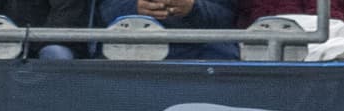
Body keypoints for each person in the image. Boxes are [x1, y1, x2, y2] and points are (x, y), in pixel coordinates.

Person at [95, 0, 238, 61]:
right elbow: (103, 11)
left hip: (200, 49)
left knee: (226, 59)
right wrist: (134, 7)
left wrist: (193, 8)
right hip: (131, 48)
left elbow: (226, 17)